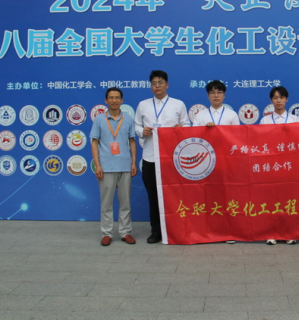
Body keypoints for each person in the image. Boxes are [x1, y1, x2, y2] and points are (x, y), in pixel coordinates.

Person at [135, 71, 191, 244]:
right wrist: (142, 131)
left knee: (174, 195)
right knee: (153, 196)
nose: (157, 86)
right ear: (150, 86)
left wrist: (180, 129)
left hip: (172, 158)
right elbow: (137, 126)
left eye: (160, 82)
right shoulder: (143, 105)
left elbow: (187, 125)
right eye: (153, 83)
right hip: (150, 157)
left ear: (167, 85)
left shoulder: (178, 104)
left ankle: (175, 229)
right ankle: (156, 230)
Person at [194, 80, 240, 244]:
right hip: (206, 163)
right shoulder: (200, 116)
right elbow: (194, 139)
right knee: (207, 196)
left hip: (227, 162)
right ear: (208, 95)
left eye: (219, 92)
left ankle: (229, 232)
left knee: (227, 196)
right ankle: (208, 231)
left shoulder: (231, 115)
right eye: (212, 92)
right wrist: (205, 131)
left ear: (224, 95)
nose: (216, 95)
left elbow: (237, 139)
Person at [91, 87, 138, 247]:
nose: (114, 100)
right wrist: (98, 165)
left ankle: (125, 232)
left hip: (125, 166)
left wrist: (133, 162)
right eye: (111, 98)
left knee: (125, 202)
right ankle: (107, 233)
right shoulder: (99, 119)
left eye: (117, 97)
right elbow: (94, 142)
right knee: (106, 203)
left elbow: (132, 141)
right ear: (106, 101)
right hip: (106, 167)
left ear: (122, 100)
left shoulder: (128, 119)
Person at [260, 86, 299, 246]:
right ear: (271, 100)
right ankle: (272, 233)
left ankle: (289, 233)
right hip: (271, 165)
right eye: (275, 98)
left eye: (281, 97)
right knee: (272, 199)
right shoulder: (265, 120)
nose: (278, 100)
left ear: (286, 99)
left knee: (289, 199)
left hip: (290, 165)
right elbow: (261, 143)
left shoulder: (294, 119)